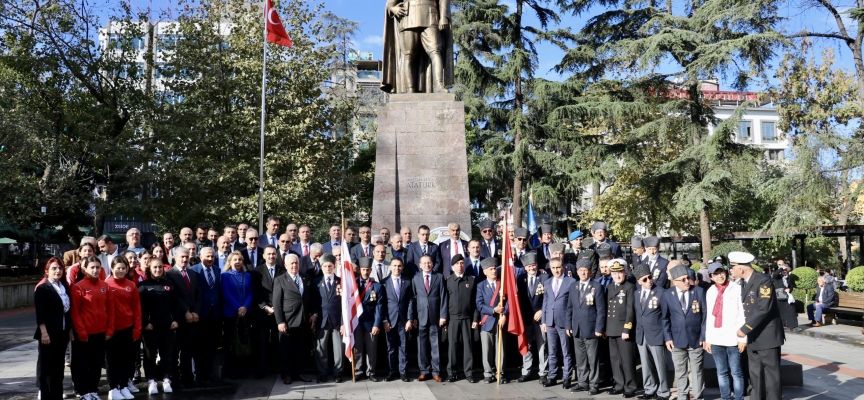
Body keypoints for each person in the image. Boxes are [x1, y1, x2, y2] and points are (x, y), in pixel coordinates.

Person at [730, 251, 784, 400]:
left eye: (733, 267)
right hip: (753, 337)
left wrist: (745, 329)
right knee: (755, 374)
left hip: (767, 336)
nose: (731, 270)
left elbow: (763, 309)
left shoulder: (763, 281)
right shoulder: (743, 283)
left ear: (741, 269)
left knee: (771, 375)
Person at [70, 256, 115, 400]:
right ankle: (83, 391)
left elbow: (110, 309)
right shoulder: (78, 287)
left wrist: (110, 329)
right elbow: (75, 312)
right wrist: (81, 332)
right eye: (92, 267)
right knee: (82, 364)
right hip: (84, 335)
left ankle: (93, 389)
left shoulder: (105, 286)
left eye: (98, 267)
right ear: (85, 270)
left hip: (100, 333)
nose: (95, 270)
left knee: (96, 364)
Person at [662, 264, 706, 400]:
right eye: (683, 279)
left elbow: (705, 316)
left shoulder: (698, 291)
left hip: (696, 338)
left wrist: (703, 336)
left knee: (697, 371)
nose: (687, 281)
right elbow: (665, 318)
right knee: (680, 371)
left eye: (687, 278)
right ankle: (683, 397)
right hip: (677, 339)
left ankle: (698, 397)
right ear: (674, 281)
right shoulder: (667, 294)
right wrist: (668, 338)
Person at [703, 262, 746, 400]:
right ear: (711, 277)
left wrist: (743, 338)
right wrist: (708, 339)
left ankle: (739, 397)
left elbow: (742, 314)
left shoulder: (736, 288)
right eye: (715, 274)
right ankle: (725, 397)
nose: (719, 276)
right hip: (716, 338)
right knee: (721, 372)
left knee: (736, 372)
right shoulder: (710, 291)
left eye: (721, 272)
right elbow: (710, 317)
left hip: (733, 337)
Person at [138, 257, 179, 395]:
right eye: (154, 267)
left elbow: (175, 304)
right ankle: (151, 381)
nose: (157, 269)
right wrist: (144, 323)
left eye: (160, 267)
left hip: (167, 326)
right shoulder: (142, 286)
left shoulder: (170, 284)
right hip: (150, 327)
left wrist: (176, 320)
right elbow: (139, 307)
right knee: (150, 355)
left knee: (167, 354)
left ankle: (166, 379)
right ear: (149, 269)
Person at [273, 253, 315, 384]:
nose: (294, 265)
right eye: (291, 263)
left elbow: (310, 298)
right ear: (285, 265)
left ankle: (299, 372)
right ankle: (287, 374)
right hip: (288, 319)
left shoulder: (306, 278)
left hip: (303, 319)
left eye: (296, 263)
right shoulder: (280, 280)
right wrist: (280, 321)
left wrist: (313, 314)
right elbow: (276, 302)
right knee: (286, 349)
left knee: (301, 348)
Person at [34, 258, 73, 400]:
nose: (58, 271)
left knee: (58, 367)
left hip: (62, 332)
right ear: (47, 271)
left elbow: (67, 312)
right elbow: (40, 313)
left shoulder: (64, 287)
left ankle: (57, 395)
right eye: (54, 268)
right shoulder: (42, 288)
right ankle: (45, 395)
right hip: (48, 333)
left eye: (60, 268)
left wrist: (69, 329)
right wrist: (44, 333)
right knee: (47, 368)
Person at [566, 258, 606, 394]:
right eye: (580, 270)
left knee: (593, 358)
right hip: (576, 328)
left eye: (585, 270)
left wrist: (599, 328)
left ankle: (594, 383)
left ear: (590, 272)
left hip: (591, 329)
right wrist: (568, 325)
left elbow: (601, 310)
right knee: (580, 358)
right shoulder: (573, 286)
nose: (583, 273)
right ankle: (582, 382)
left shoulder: (596, 287)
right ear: (577, 272)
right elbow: (569, 307)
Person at [105, 257, 141, 400]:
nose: (120, 271)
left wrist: (137, 329)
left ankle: (124, 385)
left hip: (128, 327)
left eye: (123, 268)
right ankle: (113, 388)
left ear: (127, 269)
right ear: (112, 269)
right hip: (112, 329)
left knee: (127, 359)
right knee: (112, 360)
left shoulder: (131, 285)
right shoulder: (106, 285)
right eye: (118, 268)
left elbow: (137, 308)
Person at [632, 264, 670, 400]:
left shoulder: (661, 292)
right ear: (639, 282)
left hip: (656, 333)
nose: (649, 281)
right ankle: (649, 389)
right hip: (641, 334)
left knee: (660, 364)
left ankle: (664, 391)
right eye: (644, 279)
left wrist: (666, 336)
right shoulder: (636, 294)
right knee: (645, 365)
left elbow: (666, 315)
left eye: (650, 277)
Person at [165, 246, 201, 386]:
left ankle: (188, 377)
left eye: (187, 257)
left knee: (188, 349)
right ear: (175, 258)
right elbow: (175, 296)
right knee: (175, 350)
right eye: (182, 257)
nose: (185, 259)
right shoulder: (170, 274)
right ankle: (175, 378)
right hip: (179, 318)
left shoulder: (192, 273)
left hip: (193, 318)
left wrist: (196, 311)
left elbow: (198, 294)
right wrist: (186, 311)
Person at [605, 259, 638, 398]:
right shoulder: (609, 287)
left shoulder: (630, 287)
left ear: (625, 272)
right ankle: (619, 384)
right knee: (615, 359)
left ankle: (630, 386)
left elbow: (630, 311)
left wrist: (627, 329)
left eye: (619, 272)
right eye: (614, 273)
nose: (617, 276)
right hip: (611, 328)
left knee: (627, 360)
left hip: (623, 330)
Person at [252, 245, 285, 379]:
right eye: (269, 254)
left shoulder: (282, 271)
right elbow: (256, 291)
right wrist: (265, 306)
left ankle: (281, 368)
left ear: (277, 255)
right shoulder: (257, 271)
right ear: (264, 255)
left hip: (279, 312)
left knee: (280, 341)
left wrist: (277, 308)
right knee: (262, 342)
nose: (271, 256)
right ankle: (261, 369)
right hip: (262, 312)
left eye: (273, 254)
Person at [541, 257, 575, 389]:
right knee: (552, 351)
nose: (556, 270)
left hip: (564, 322)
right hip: (550, 321)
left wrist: (569, 323)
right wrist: (544, 320)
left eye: (558, 267)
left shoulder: (571, 282)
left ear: (563, 267)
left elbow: (572, 304)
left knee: (566, 351)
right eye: (553, 268)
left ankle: (567, 377)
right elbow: (545, 302)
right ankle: (552, 376)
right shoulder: (548, 282)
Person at [412, 254, 447, 381]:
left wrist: (443, 316)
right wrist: (413, 317)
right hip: (421, 317)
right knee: (422, 346)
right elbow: (413, 299)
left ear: (432, 264)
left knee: (436, 345)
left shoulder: (439, 277)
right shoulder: (415, 278)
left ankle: (436, 372)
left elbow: (443, 297)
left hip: (435, 317)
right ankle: (424, 370)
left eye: (429, 262)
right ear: (420, 265)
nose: (427, 265)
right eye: (424, 263)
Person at [444, 254, 478, 383]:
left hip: (467, 318)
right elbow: (445, 302)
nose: (460, 266)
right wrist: (445, 320)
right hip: (453, 318)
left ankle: (469, 373)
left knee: (468, 345)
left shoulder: (471, 280)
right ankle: (451, 373)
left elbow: (475, 302)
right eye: (457, 264)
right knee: (452, 346)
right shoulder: (448, 281)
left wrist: (475, 319)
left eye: (462, 263)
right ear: (453, 266)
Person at [190, 247, 222, 383]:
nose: (210, 259)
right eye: (207, 256)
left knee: (212, 345)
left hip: (215, 313)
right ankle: (200, 374)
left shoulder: (217, 270)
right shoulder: (194, 270)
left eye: (212, 256)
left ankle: (209, 372)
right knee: (199, 346)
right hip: (200, 313)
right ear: (200, 257)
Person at [311, 254, 344, 383]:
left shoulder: (341, 281)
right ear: (321, 267)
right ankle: (322, 372)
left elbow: (345, 305)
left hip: (337, 320)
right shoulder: (316, 282)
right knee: (321, 348)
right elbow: (314, 301)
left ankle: (338, 372)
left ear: (334, 266)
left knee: (338, 348)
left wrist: (343, 322)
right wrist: (314, 314)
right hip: (322, 319)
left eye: (330, 266)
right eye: (325, 266)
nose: (328, 268)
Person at [382, 257, 415, 382]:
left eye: (399, 266)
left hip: (403, 320)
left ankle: (403, 372)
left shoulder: (407, 282)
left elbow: (411, 301)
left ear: (402, 267)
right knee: (390, 347)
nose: (397, 268)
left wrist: (410, 319)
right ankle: (391, 371)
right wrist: (385, 320)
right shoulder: (384, 282)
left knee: (403, 347)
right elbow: (382, 304)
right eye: (394, 266)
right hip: (390, 320)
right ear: (390, 267)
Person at [221, 251, 252, 379]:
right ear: (230, 262)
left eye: (239, 259)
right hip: (231, 313)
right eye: (235, 259)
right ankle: (231, 370)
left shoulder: (247, 275)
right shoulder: (225, 276)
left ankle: (243, 369)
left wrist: (245, 307)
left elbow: (250, 293)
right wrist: (238, 308)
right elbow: (226, 293)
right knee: (231, 342)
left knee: (244, 340)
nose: (237, 262)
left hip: (245, 313)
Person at [517, 252, 548, 383]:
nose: (531, 268)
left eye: (533, 265)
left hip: (540, 317)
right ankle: (526, 371)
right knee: (527, 344)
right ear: (525, 267)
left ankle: (543, 372)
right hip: (525, 317)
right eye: (529, 266)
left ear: (537, 264)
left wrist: (542, 311)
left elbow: (548, 297)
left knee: (542, 345)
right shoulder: (520, 279)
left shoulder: (544, 277)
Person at [353, 257, 385, 382]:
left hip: (371, 322)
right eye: (363, 269)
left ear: (371, 270)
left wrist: (377, 324)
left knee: (371, 349)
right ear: (359, 270)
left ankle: (371, 372)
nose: (365, 272)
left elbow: (379, 307)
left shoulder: (377, 286)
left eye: (367, 269)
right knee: (358, 348)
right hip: (356, 321)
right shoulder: (353, 284)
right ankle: (358, 371)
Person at [477, 257, 507, 383]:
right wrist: (493, 310)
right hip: (487, 321)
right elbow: (479, 304)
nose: (494, 271)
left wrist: (504, 315)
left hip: (500, 321)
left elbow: (509, 301)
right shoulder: (480, 286)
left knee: (501, 349)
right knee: (487, 350)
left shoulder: (503, 284)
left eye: (495, 268)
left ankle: (500, 373)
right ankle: (488, 374)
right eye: (491, 269)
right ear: (485, 272)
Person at [772, 262, 797, 329]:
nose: (785, 271)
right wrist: (781, 268)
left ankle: (793, 325)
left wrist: (789, 289)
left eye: (786, 270)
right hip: (779, 297)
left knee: (791, 309)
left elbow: (791, 286)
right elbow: (775, 274)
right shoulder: (778, 277)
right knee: (781, 311)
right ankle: (781, 324)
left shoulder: (788, 278)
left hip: (787, 296)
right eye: (783, 270)